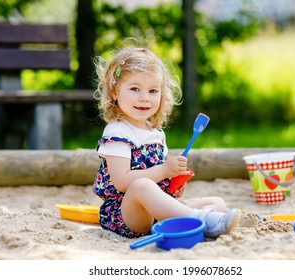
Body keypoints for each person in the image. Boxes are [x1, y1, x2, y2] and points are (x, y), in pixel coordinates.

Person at [92, 46, 241, 239]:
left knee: (217, 202)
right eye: (135, 88)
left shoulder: (156, 132)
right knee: (141, 186)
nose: (144, 97)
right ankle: (201, 220)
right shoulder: (117, 131)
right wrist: (164, 170)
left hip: (154, 212)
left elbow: (159, 176)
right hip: (127, 215)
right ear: (114, 92)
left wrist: (172, 182)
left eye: (153, 90)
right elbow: (122, 182)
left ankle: (193, 219)